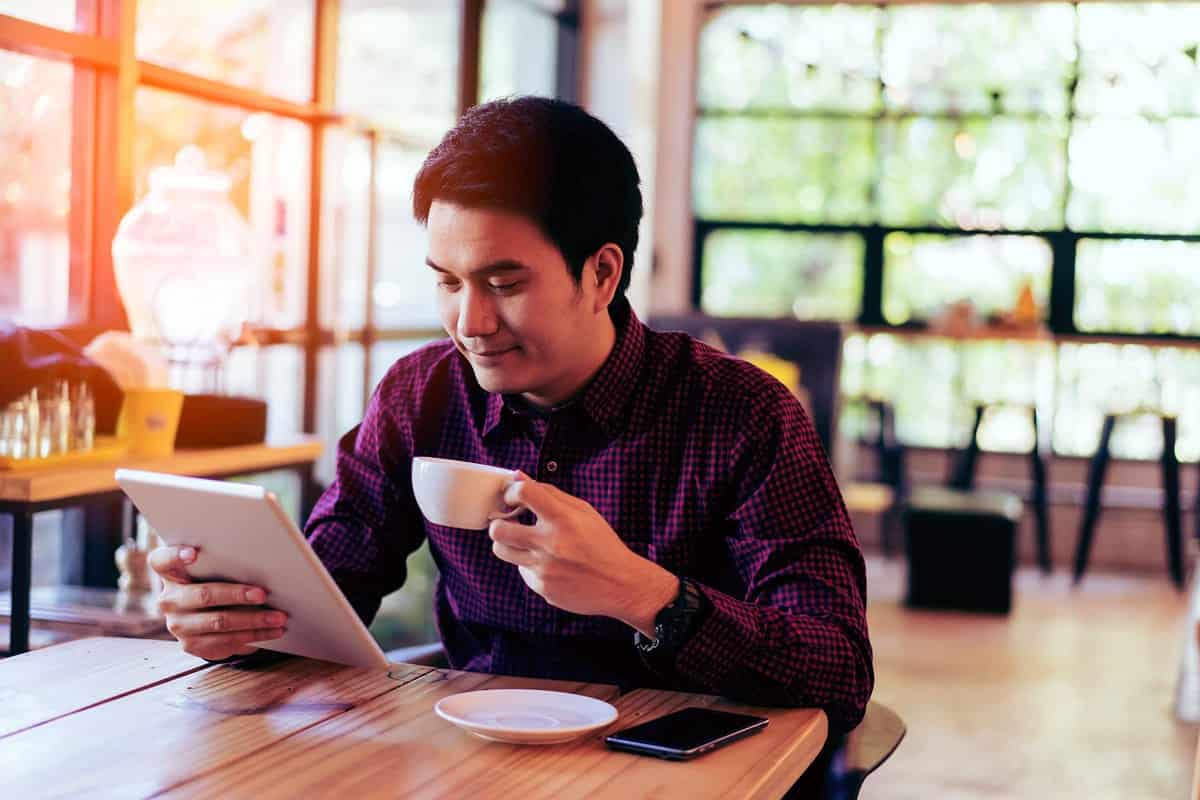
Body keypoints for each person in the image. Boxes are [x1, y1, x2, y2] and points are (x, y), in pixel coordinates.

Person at [149, 96, 874, 731]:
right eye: (448, 283)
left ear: (602, 273)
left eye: (504, 283)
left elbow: (837, 674)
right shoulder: (420, 395)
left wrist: (640, 591)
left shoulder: (743, 416)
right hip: (471, 757)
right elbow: (332, 588)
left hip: (681, 772)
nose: (471, 322)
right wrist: (234, 617)